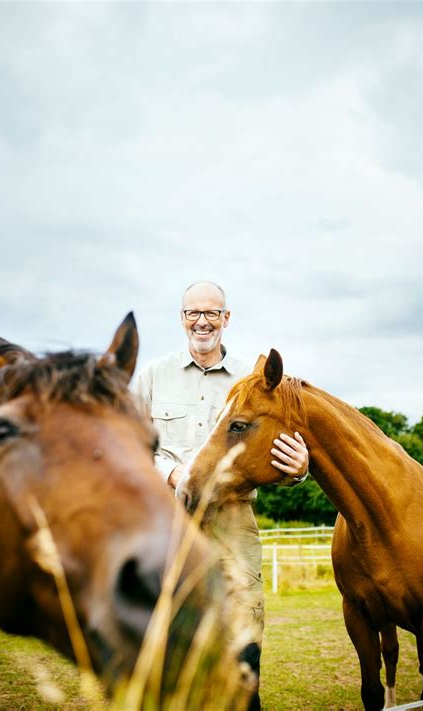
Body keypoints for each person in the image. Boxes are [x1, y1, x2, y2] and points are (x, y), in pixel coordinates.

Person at [133, 281, 309, 710]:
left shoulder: (252, 381)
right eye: (194, 313)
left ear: (226, 319)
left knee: (244, 628)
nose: (202, 321)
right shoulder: (154, 374)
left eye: (212, 313)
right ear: (182, 318)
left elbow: (277, 449)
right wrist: (173, 472)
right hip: (168, 521)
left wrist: (300, 471)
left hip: (233, 519)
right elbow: (130, 443)